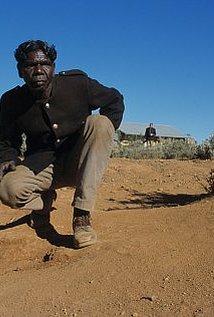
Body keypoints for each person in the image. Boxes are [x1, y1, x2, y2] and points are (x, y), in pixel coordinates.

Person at [0, 40, 125, 249]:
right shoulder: (12, 101)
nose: (39, 70)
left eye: (45, 64)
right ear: (20, 71)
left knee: (100, 123)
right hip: (41, 165)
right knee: (7, 189)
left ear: (53, 67)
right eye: (30, 65)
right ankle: (43, 205)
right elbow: (5, 140)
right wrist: (7, 158)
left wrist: (100, 139)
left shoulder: (77, 84)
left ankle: (82, 216)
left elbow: (114, 100)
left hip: (79, 161)